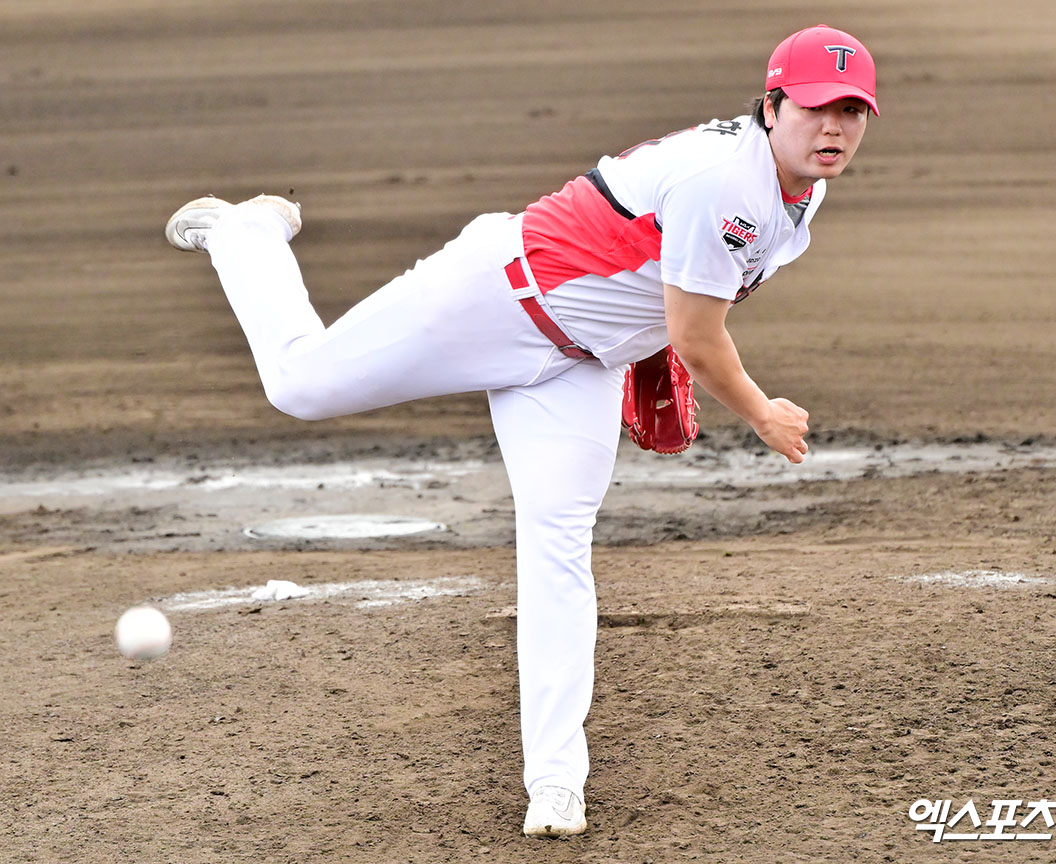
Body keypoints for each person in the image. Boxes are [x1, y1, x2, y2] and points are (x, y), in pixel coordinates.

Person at [165, 23, 878, 837]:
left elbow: (665, 292)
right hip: (492, 298)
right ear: (772, 104)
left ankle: (556, 783)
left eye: (853, 111)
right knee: (300, 385)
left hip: (577, 366)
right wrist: (757, 408)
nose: (834, 128)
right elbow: (698, 332)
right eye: (818, 108)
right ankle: (247, 233)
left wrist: (642, 347)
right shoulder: (730, 182)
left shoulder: (801, 189)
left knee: (557, 546)